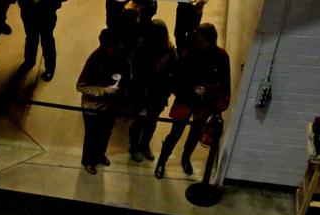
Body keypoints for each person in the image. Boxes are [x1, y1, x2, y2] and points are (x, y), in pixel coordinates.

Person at [154, 23, 230, 179]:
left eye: (203, 41)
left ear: (211, 41)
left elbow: (224, 82)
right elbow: (176, 80)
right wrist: (192, 88)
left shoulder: (221, 57)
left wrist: (217, 104)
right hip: (186, 101)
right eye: (198, 41)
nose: (199, 44)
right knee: (175, 133)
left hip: (205, 104)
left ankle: (185, 158)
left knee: (195, 134)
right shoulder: (189, 55)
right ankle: (162, 160)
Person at [76, 29, 129, 174]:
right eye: (112, 46)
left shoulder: (119, 57)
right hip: (93, 107)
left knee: (106, 133)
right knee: (91, 135)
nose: (115, 49)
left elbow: (125, 74)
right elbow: (81, 86)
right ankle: (88, 160)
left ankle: (99, 155)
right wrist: (103, 90)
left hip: (111, 105)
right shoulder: (94, 60)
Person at [128, 19, 176, 163]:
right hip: (142, 93)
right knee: (138, 122)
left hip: (158, 94)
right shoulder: (141, 50)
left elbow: (174, 69)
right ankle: (134, 147)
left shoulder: (169, 50)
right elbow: (136, 73)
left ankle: (144, 145)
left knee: (151, 122)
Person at [18, 0, 65, 81]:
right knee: (31, 38)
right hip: (28, 12)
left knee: (47, 41)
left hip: (46, 13)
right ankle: (29, 62)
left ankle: (50, 68)